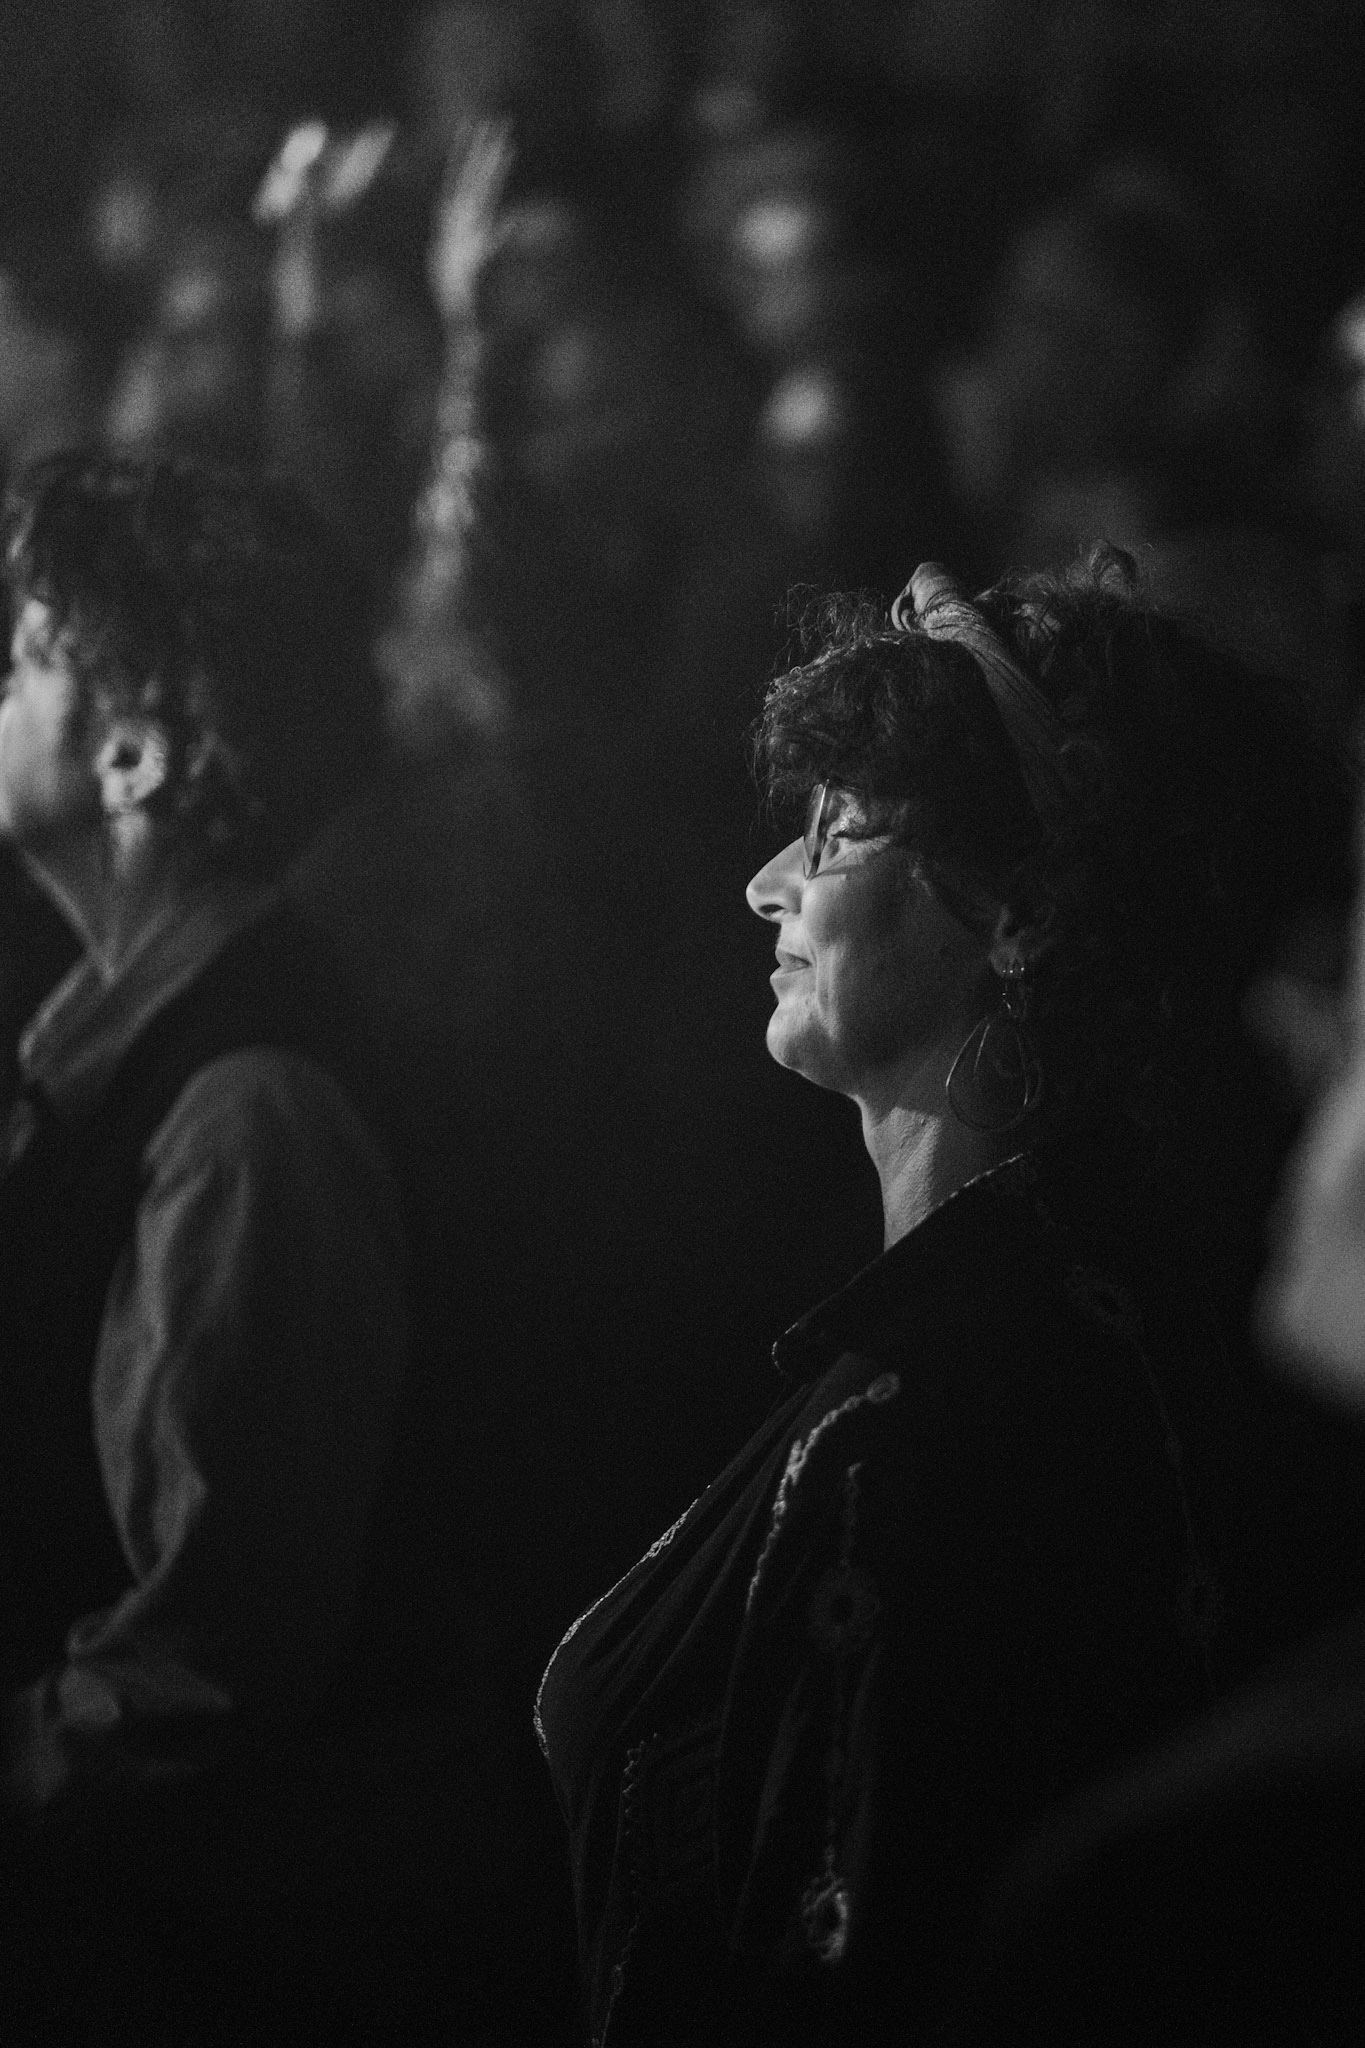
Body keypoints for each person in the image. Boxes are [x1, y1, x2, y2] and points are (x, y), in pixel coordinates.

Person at [533, 546, 1359, 2047]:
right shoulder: (1051, 1307)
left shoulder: (935, 1424)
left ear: (1021, 913)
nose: (767, 883)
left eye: (840, 832)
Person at [0, 452, 411, 2041]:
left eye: (29, 657)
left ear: (134, 753)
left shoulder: (248, 1118)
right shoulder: (113, 1028)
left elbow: (209, 1660)